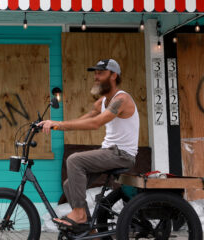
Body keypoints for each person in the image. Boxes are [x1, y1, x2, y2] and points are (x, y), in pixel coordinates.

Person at [37, 59, 139, 229]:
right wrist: (54, 124)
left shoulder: (121, 99)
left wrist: (60, 125)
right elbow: (87, 118)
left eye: (101, 73)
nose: (96, 77)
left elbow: (95, 123)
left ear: (114, 75)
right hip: (110, 152)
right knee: (69, 185)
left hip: (122, 154)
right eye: (95, 73)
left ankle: (79, 214)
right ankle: (88, 230)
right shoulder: (103, 101)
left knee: (74, 160)